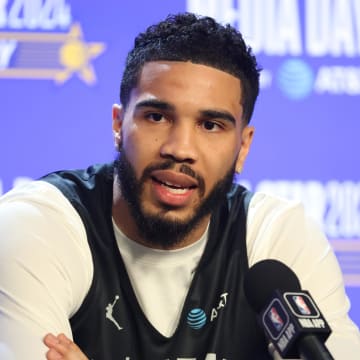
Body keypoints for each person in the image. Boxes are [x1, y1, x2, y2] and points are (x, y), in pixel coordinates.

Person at [0, 12, 359, 360]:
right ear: (118, 125)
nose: (180, 149)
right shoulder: (36, 225)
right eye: (156, 117)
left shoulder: (277, 238)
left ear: (243, 146)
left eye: (211, 125)